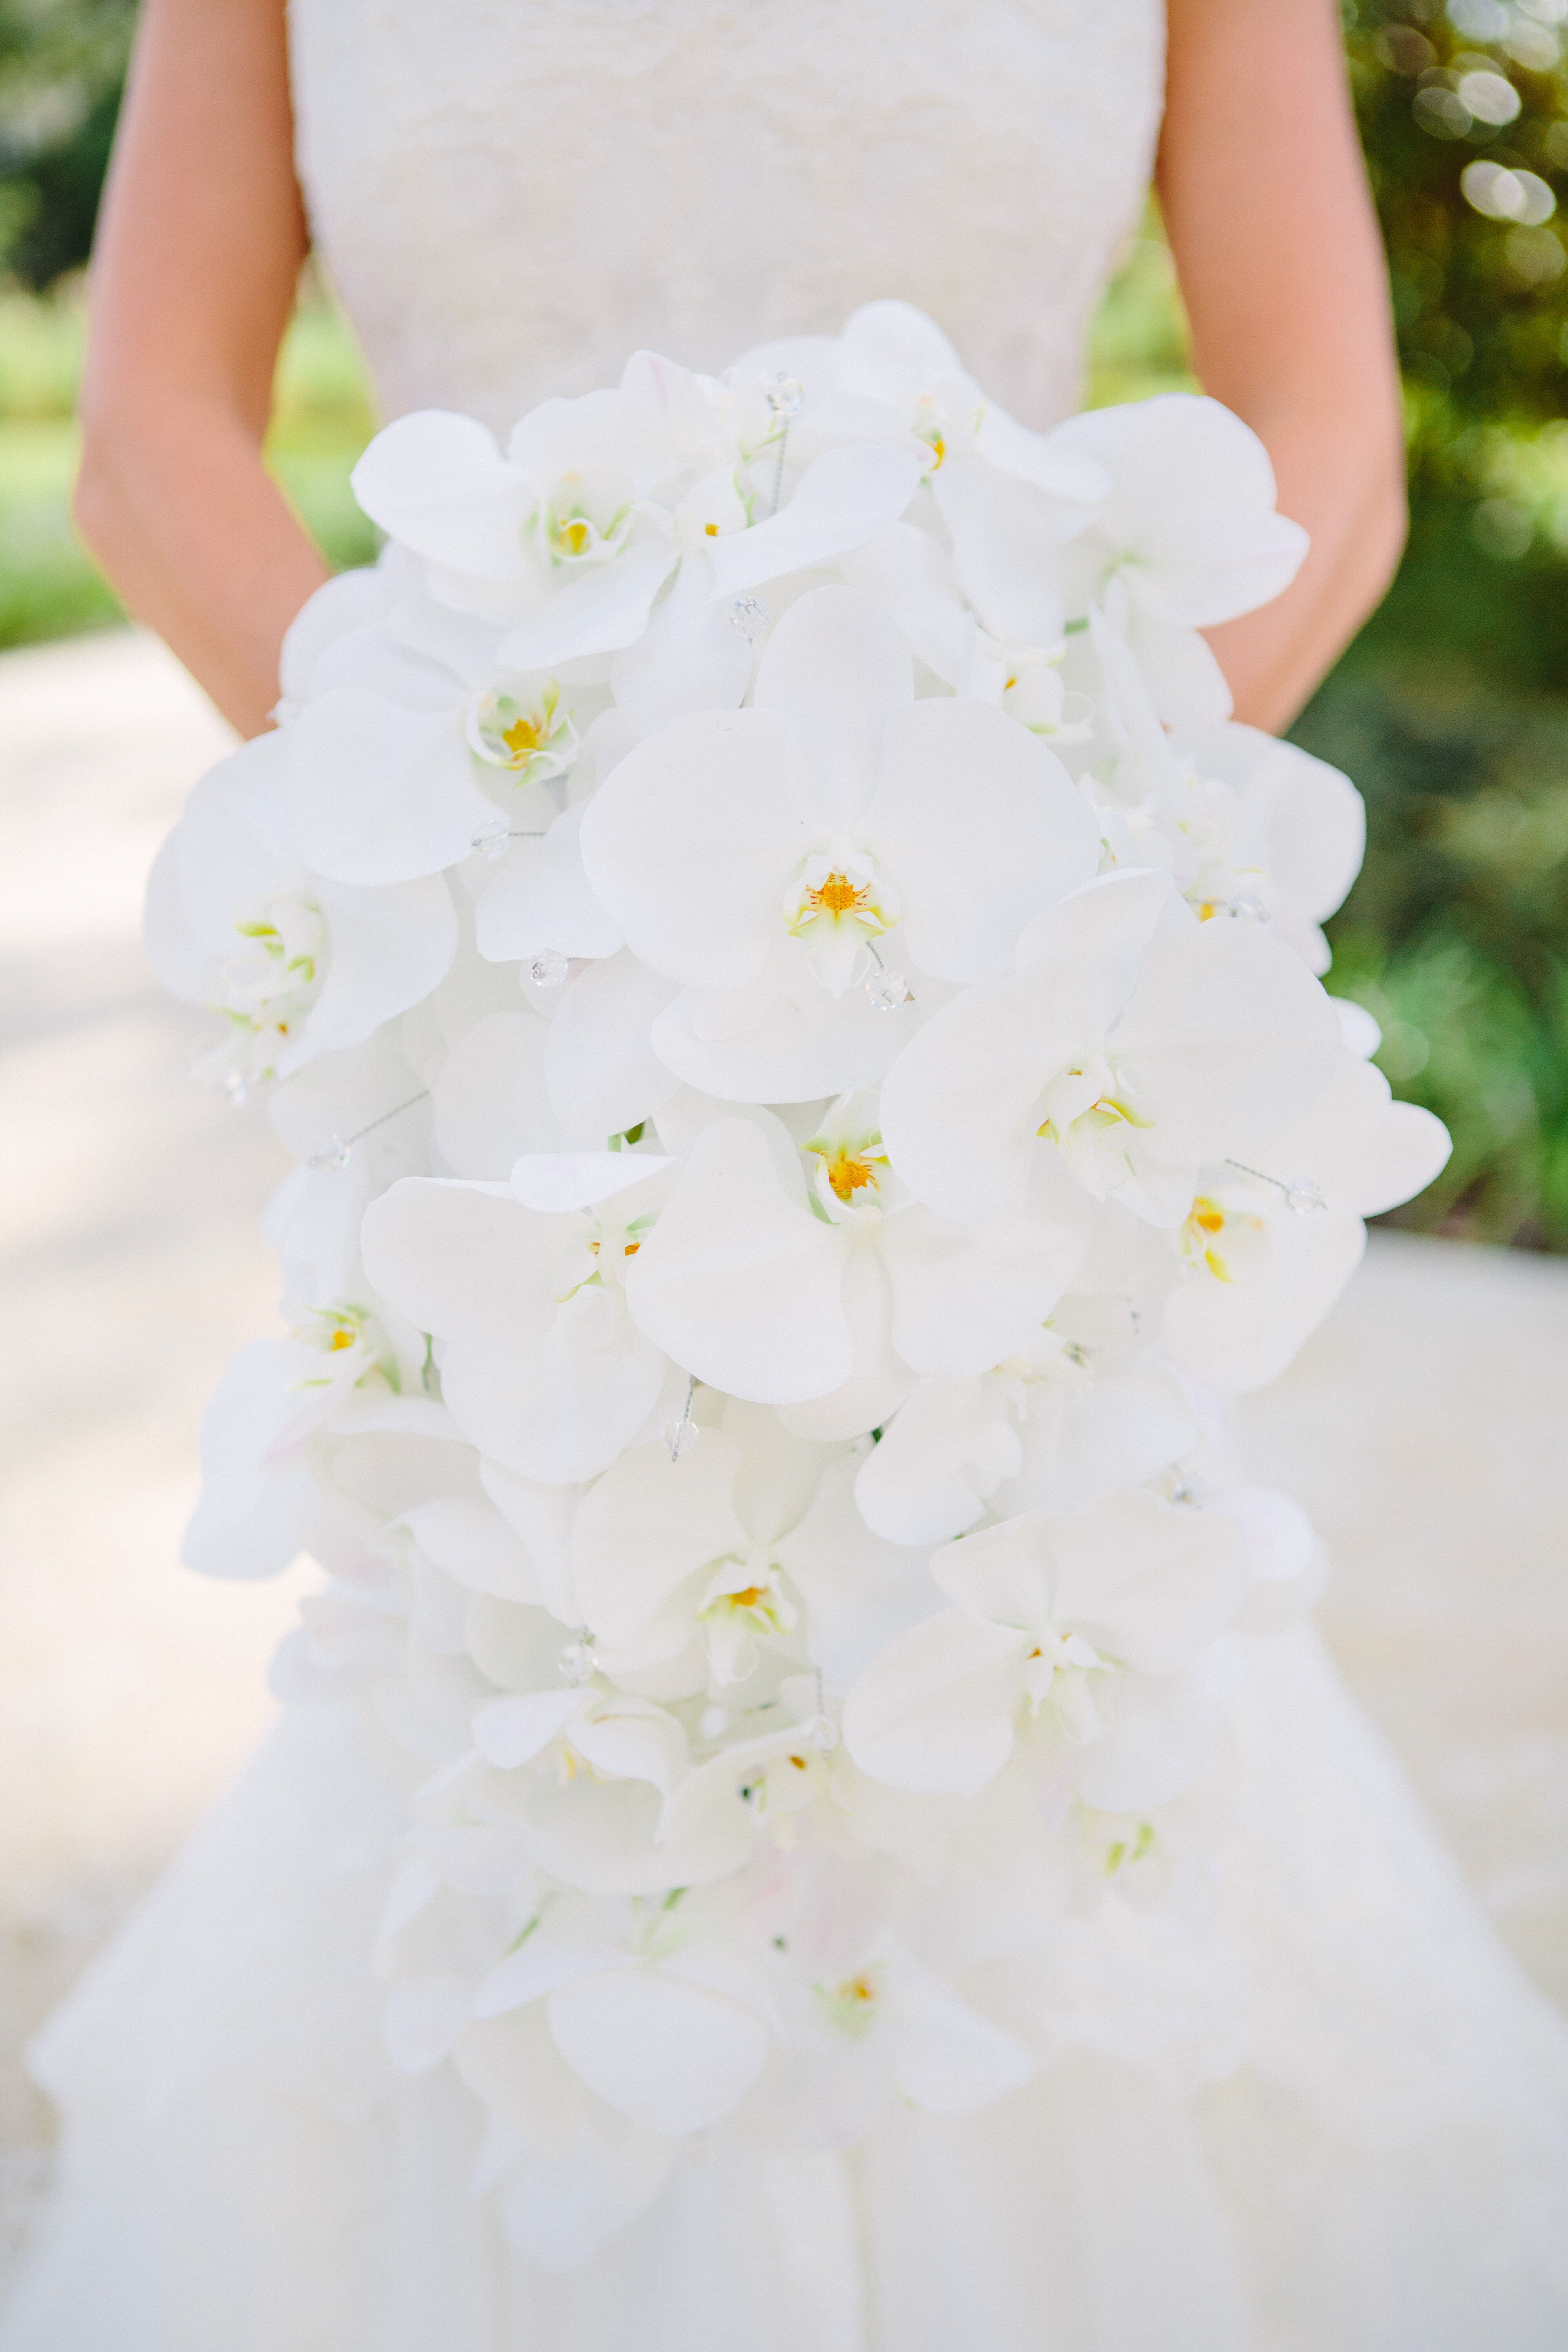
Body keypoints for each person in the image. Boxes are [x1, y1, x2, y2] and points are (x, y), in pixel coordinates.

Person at [4, 4, 1565, 2347]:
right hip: (521, 1046)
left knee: (1016, 1706)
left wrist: (1039, 874)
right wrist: (470, 865)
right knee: (557, 1742)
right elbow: (145, 445)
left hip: (998, 1038)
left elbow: (1320, 449)